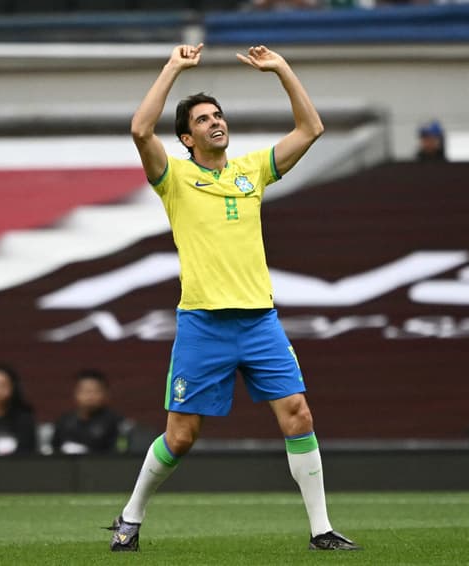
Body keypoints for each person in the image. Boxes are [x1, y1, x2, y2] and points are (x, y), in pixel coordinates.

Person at [108, 43, 361, 552]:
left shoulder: (252, 170)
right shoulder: (174, 178)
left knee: (299, 414)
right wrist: (173, 67)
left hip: (259, 321)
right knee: (181, 436)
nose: (216, 122)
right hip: (203, 323)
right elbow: (139, 130)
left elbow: (311, 129)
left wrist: (282, 69)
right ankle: (130, 518)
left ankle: (321, 531)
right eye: (203, 119)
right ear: (187, 137)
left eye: (218, 115)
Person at [51, 369, 124, 454]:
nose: (90, 396)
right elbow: (54, 450)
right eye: (85, 391)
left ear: (105, 394)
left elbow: (119, 452)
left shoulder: (115, 422)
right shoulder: (64, 421)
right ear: (76, 393)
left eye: (95, 391)